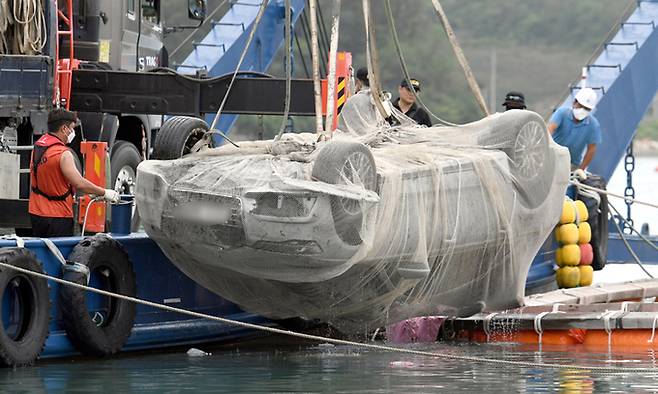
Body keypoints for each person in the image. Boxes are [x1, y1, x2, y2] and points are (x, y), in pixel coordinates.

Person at [28, 108, 119, 237]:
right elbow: (79, 184)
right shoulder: (63, 154)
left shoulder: (38, 147)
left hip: (37, 213)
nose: (73, 132)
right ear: (64, 129)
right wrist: (104, 192)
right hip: (58, 216)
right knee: (59, 255)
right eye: (72, 128)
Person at [547, 87, 601, 171]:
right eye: (581, 106)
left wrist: (581, 169)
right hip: (552, 157)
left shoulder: (593, 125)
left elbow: (591, 149)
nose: (582, 110)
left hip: (571, 164)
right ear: (574, 102)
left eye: (586, 108)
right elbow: (550, 129)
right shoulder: (562, 113)